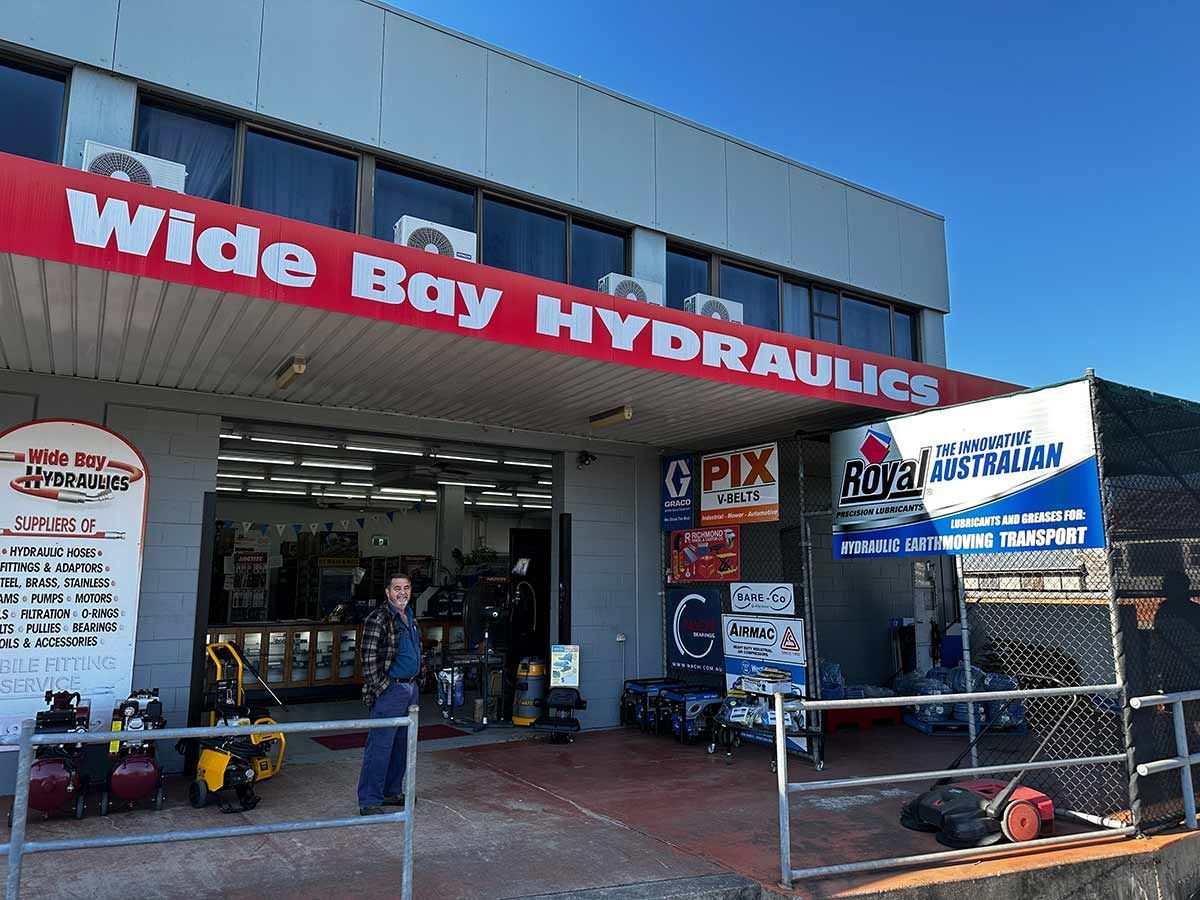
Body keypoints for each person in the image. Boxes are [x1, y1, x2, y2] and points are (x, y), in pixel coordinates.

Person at [357, 572, 422, 816]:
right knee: (380, 746)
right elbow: (368, 658)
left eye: (406, 587)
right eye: (397, 588)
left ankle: (391, 791)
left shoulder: (410, 617)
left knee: (401, 745)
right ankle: (370, 800)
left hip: (410, 688)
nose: (402, 592)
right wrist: (383, 688)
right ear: (387, 592)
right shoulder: (379, 618)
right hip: (391, 689)